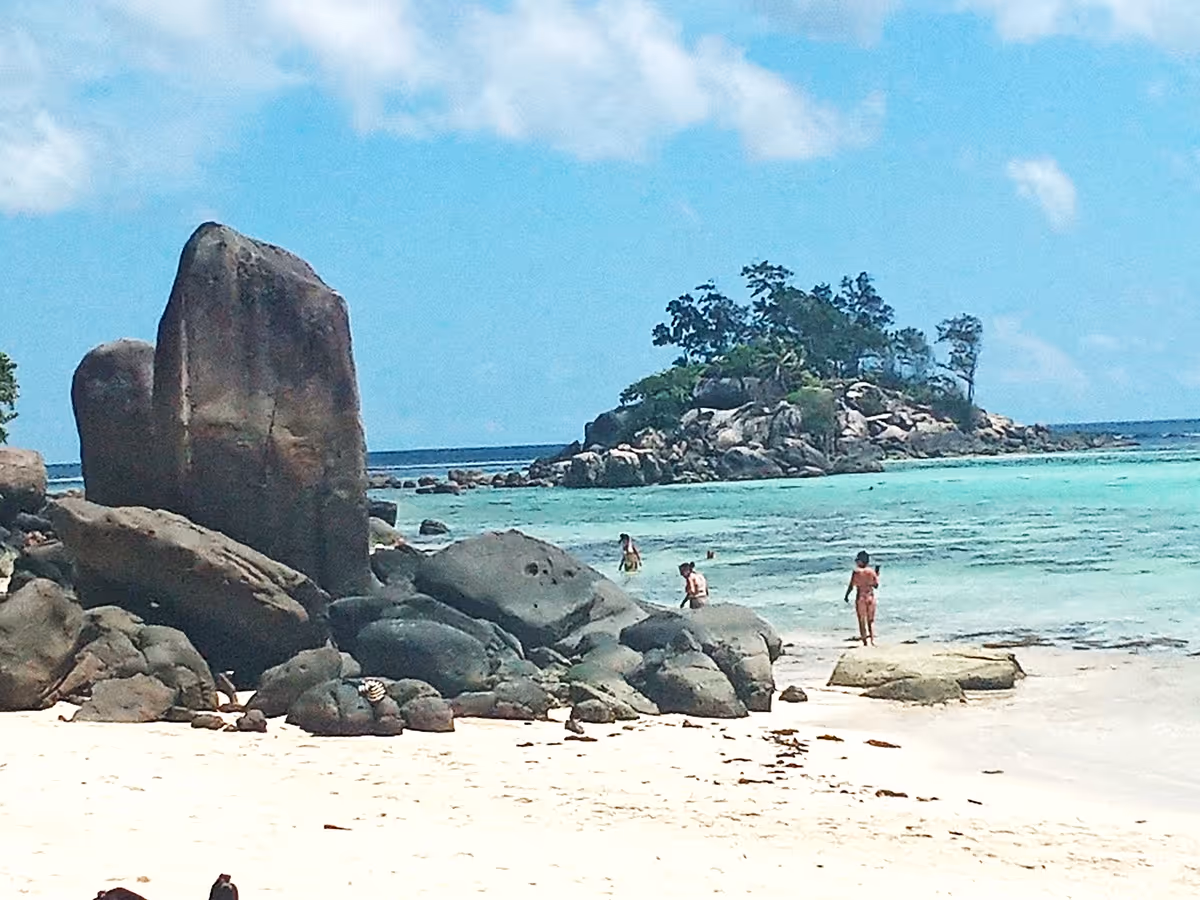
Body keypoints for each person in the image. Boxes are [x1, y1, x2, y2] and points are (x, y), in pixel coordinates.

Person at [843, 550, 880, 646]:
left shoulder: (856, 572)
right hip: (870, 596)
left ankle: (865, 642)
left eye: (857, 560)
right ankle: (872, 640)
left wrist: (846, 596)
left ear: (861, 561)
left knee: (861, 620)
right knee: (870, 620)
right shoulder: (871, 572)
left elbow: (851, 586)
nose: (856, 562)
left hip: (861, 597)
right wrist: (877, 574)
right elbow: (876, 585)